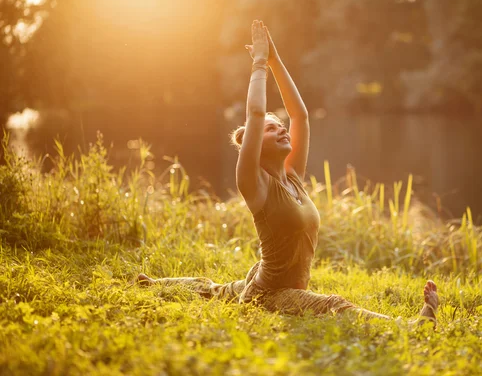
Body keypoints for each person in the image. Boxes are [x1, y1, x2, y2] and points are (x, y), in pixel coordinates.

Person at [137, 20, 439, 324]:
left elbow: (300, 116)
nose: (282, 128)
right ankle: (412, 325)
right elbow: (255, 113)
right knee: (334, 304)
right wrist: (258, 63)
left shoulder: (292, 175)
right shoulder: (254, 184)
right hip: (268, 294)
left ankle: (152, 284)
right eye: (271, 129)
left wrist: (274, 59)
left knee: (212, 289)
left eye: (280, 125)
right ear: (256, 144)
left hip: (264, 278)